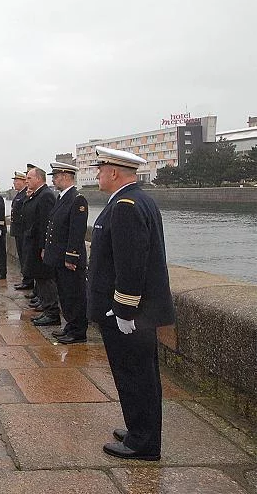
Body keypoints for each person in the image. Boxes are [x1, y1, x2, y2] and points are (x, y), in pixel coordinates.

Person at [88, 146, 174, 462]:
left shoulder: (125, 206)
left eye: (100, 169)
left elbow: (131, 263)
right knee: (140, 375)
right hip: (140, 311)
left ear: (114, 172)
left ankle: (144, 443)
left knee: (135, 376)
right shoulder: (139, 199)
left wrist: (125, 310)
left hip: (131, 314)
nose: (97, 174)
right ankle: (140, 429)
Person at [43, 163, 89, 344]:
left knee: (75, 295)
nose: (53, 179)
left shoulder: (77, 199)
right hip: (59, 257)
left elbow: (76, 231)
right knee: (65, 294)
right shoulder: (62, 197)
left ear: (65, 176)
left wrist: (72, 256)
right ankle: (70, 326)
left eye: (55, 175)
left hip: (69, 259)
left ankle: (78, 331)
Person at [22, 166, 60, 326]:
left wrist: (45, 247)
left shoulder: (45, 196)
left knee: (45, 279)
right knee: (40, 278)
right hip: (33, 244)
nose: (26, 181)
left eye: (29, 178)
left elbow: (46, 224)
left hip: (40, 246)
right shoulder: (37, 195)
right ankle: (46, 309)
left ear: (38, 178)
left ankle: (52, 313)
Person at [10, 171, 33, 292]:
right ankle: (25, 279)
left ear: (24, 181)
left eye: (16, 181)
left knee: (25, 257)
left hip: (23, 231)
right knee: (22, 256)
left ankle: (28, 281)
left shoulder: (25, 194)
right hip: (18, 231)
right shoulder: (19, 194)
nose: (14, 183)